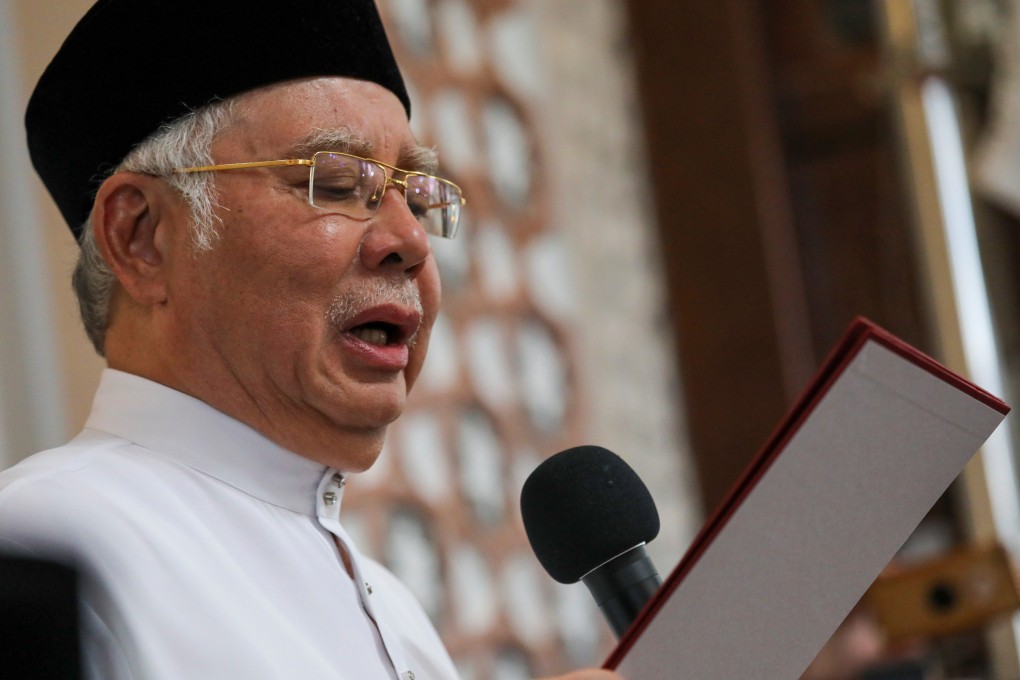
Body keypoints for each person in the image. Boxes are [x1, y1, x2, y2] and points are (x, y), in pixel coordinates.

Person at [0, 1, 624, 678]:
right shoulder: (42, 543)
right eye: (335, 183)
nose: (410, 241)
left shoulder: (394, 608)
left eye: (414, 199)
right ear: (141, 237)